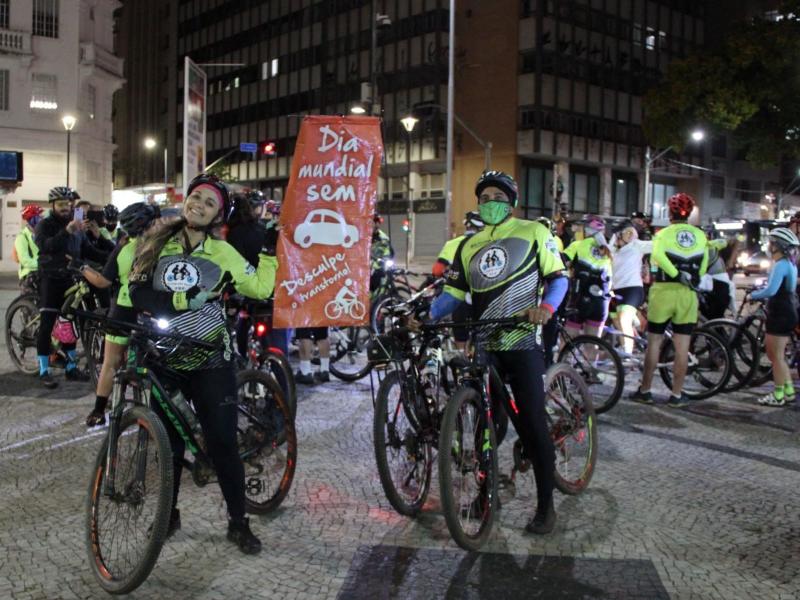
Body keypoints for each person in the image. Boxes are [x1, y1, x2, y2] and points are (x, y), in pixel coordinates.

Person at [128, 173, 277, 554]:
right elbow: (137, 291)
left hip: (210, 359)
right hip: (163, 358)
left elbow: (260, 288)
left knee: (223, 442)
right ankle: (169, 515)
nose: (199, 205)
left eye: (209, 203)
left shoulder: (222, 253)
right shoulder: (157, 243)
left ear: (217, 216)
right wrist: (177, 303)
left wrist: (270, 253)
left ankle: (238, 522)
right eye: (196, 197)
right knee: (170, 445)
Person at [419, 170, 568, 535]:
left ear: (512, 202)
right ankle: (486, 496)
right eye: (484, 199)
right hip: (486, 345)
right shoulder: (468, 245)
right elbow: (453, 295)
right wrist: (425, 316)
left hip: (522, 341)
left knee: (532, 423)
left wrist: (545, 308)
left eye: (498, 198)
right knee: (487, 425)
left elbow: (559, 279)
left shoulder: (534, 232)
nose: (490, 204)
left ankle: (546, 507)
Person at [80, 202, 160, 427]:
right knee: (157, 366)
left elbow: (102, 281)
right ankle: (154, 418)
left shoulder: (123, 249)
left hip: (123, 310)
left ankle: (98, 411)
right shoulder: (165, 246)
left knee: (111, 362)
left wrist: (81, 268)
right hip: (154, 311)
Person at [629, 192, 708, 408]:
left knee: (654, 342)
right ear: (689, 214)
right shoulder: (700, 235)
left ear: (670, 213)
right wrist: (694, 278)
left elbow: (658, 256)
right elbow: (704, 261)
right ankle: (676, 394)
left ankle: (645, 390)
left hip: (663, 291)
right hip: (687, 294)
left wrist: (675, 273)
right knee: (682, 346)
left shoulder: (662, 234)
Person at [34, 187, 98, 388]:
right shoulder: (45, 225)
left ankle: (71, 368)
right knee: (47, 324)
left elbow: (88, 250)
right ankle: (44, 370)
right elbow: (46, 246)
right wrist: (67, 231)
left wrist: (114, 254)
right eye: (61, 204)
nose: (65, 208)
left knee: (68, 324)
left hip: (69, 278)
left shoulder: (77, 225)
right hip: (50, 278)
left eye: (68, 204)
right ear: (52, 205)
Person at [749, 228, 800, 406]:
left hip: (779, 312)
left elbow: (771, 290)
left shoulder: (781, 265)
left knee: (775, 357)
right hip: (787, 311)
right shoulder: (789, 264)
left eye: (771, 243)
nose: (769, 246)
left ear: (778, 246)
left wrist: (753, 295)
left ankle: (778, 396)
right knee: (778, 356)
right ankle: (788, 391)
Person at [431, 211, 484, 350]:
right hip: (485, 297)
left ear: (466, 225)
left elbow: (437, 270)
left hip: (460, 295)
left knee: (457, 317)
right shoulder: (491, 242)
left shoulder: (453, 243)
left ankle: (460, 353)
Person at [563, 215, 613, 339]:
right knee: (593, 343)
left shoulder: (578, 245)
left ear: (587, 230)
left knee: (568, 340)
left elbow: (560, 263)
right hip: (601, 301)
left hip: (580, 298)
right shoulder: (608, 251)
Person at [609, 222, 652, 357]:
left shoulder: (636, 245)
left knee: (623, 319)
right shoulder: (613, 248)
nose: (630, 235)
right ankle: (626, 346)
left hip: (632, 288)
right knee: (616, 320)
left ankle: (627, 351)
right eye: (627, 232)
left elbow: (655, 245)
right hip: (615, 290)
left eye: (632, 232)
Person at [15, 205, 43, 291]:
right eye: (39, 216)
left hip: (42, 272)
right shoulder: (22, 237)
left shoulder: (41, 234)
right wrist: (42, 264)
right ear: (32, 219)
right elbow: (25, 260)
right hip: (29, 274)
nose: (42, 218)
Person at [370, 214, 394, 294]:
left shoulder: (384, 238)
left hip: (379, 268)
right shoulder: (363, 236)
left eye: (374, 222)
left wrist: (387, 260)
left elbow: (389, 251)